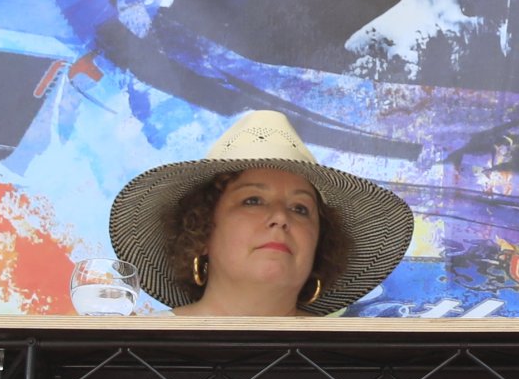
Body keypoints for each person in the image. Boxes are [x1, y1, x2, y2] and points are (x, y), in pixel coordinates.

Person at [109, 110, 414, 316]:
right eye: (253, 200)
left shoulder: (353, 361)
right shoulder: (131, 349)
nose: (281, 218)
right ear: (200, 231)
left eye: (300, 208)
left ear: (321, 244)